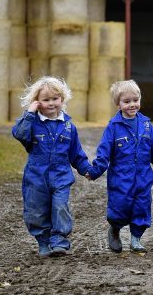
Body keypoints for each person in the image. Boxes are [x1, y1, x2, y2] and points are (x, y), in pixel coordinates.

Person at [86, 80, 153, 253]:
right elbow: (104, 152)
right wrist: (95, 171)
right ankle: (115, 229)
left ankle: (136, 239)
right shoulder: (113, 127)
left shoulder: (147, 125)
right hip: (120, 177)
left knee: (141, 207)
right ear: (118, 104)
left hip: (143, 176)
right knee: (120, 207)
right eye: (127, 101)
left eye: (135, 100)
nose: (132, 104)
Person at [12, 76, 92, 257]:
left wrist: (86, 169)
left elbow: (76, 153)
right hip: (36, 176)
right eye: (45, 99)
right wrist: (29, 113)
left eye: (55, 99)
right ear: (37, 102)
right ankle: (43, 242)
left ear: (62, 100)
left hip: (61, 175)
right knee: (36, 210)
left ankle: (59, 242)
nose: (51, 103)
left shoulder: (69, 127)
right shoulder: (31, 123)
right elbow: (19, 134)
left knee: (60, 207)